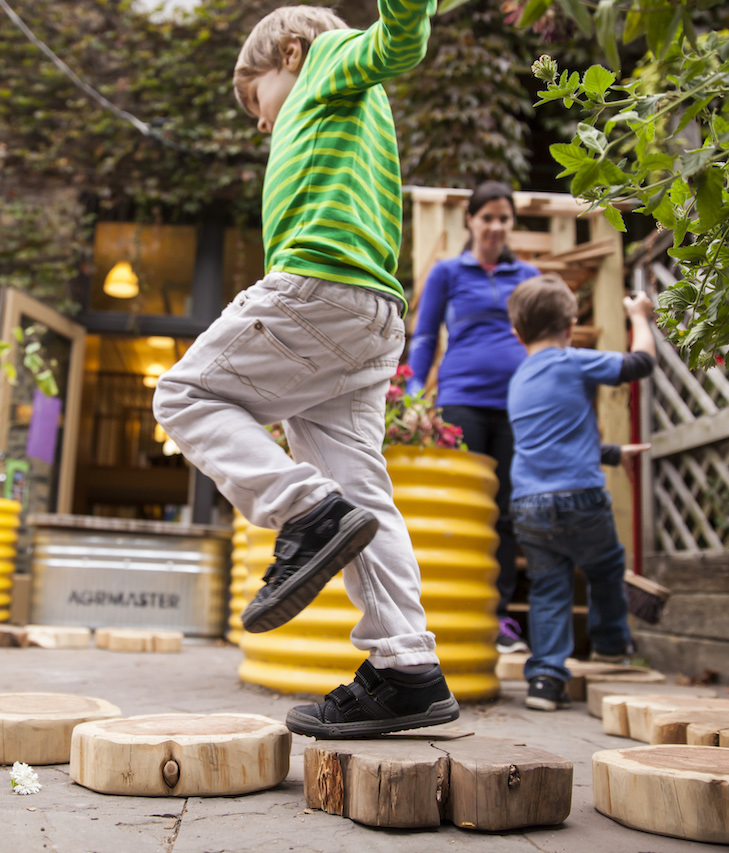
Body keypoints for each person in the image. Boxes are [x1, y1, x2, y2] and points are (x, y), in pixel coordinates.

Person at [153, 0, 459, 738]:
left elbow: (398, 41)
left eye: (256, 102)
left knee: (185, 395)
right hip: (367, 318)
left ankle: (305, 511)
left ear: (287, 53)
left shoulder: (326, 60)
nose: (261, 123)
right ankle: (407, 668)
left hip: (320, 287)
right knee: (362, 491)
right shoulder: (331, 98)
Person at [504, 273, 655, 710]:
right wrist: (639, 317)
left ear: (518, 334)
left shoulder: (518, 380)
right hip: (581, 497)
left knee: (549, 586)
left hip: (528, 504)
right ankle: (610, 645)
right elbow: (640, 364)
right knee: (606, 567)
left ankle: (545, 680)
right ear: (571, 327)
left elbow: (550, 441)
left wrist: (612, 453)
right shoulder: (572, 361)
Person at [404, 181, 541, 656]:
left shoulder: (527, 274)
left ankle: (495, 618)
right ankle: (446, 614)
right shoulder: (447, 272)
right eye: (487, 218)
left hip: (516, 404)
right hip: (461, 401)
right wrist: (413, 394)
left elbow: (543, 337)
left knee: (504, 513)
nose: (495, 227)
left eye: (504, 218)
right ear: (471, 221)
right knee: (462, 509)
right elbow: (425, 337)